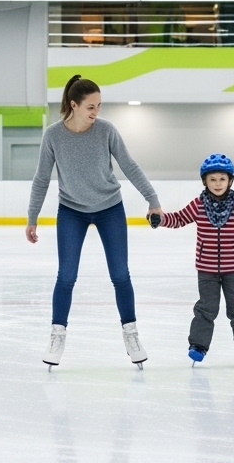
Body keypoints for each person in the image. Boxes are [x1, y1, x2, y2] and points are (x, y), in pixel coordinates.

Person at [27, 74, 163, 369]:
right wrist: (32, 217)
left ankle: (131, 334)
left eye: (99, 106)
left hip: (109, 208)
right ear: (73, 105)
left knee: (120, 274)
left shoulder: (106, 131)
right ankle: (57, 336)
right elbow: (41, 179)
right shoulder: (53, 135)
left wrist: (151, 199)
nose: (96, 112)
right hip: (71, 210)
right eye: (90, 107)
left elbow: (128, 164)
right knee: (66, 276)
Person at [153, 154, 234, 366]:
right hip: (206, 269)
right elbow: (179, 219)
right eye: (213, 179)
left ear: (230, 181)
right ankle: (198, 345)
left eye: (222, 179)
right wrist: (160, 219)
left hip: (233, 269)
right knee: (206, 308)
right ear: (205, 181)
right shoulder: (199, 205)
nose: (218, 184)